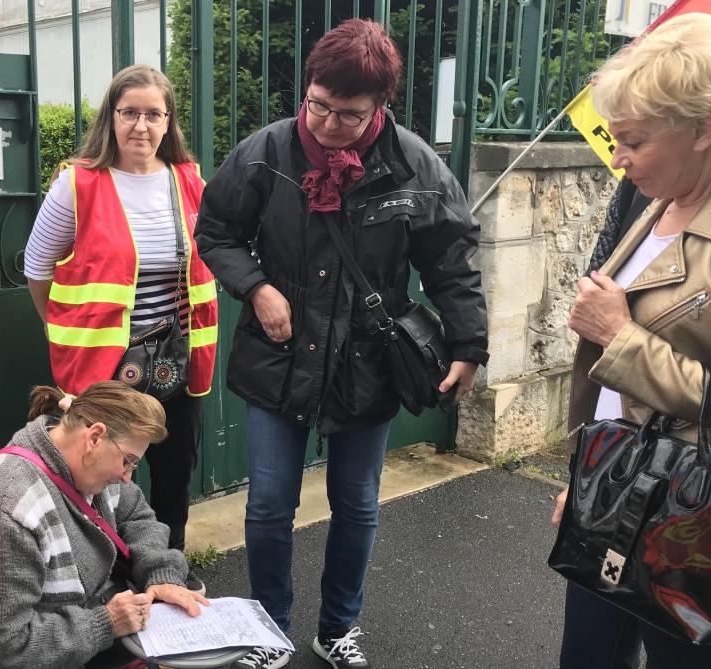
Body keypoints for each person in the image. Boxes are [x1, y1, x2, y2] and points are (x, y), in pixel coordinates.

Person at [196, 19, 488, 669]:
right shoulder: (263, 154)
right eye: (317, 104)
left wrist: (467, 343)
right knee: (270, 503)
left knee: (355, 505)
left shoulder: (415, 164)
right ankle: (268, 627)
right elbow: (214, 230)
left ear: (379, 106)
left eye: (347, 114)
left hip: (368, 360)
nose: (326, 123)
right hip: (279, 356)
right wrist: (257, 287)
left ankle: (337, 628)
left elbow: (452, 262)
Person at [548, 13, 711, 669]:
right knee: (585, 659)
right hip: (616, 485)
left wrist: (620, 335)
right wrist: (582, 472)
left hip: (695, 514)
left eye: (632, 140)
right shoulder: (653, 197)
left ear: (704, 128)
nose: (617, 157)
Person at [24, 64, 219, 584]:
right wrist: (63, 327)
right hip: (107, 365)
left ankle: (167, 570)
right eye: (129, 112)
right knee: (99, 476)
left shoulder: (189, 181)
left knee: (174, 475)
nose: (141, 125)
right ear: (111, 117)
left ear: (168, 121)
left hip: (176, 362)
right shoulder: (79, 183)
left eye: (153, 114)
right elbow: (37, 265)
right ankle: (102, 575)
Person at [0, 382, 209, 669]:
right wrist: (108, 621)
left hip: (53, 620)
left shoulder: (84, 461)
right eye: (127, 460)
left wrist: (161, 575)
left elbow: (136, 515)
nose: (127, 475)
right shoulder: (6, 512)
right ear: (95, 436)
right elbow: (8, 649)